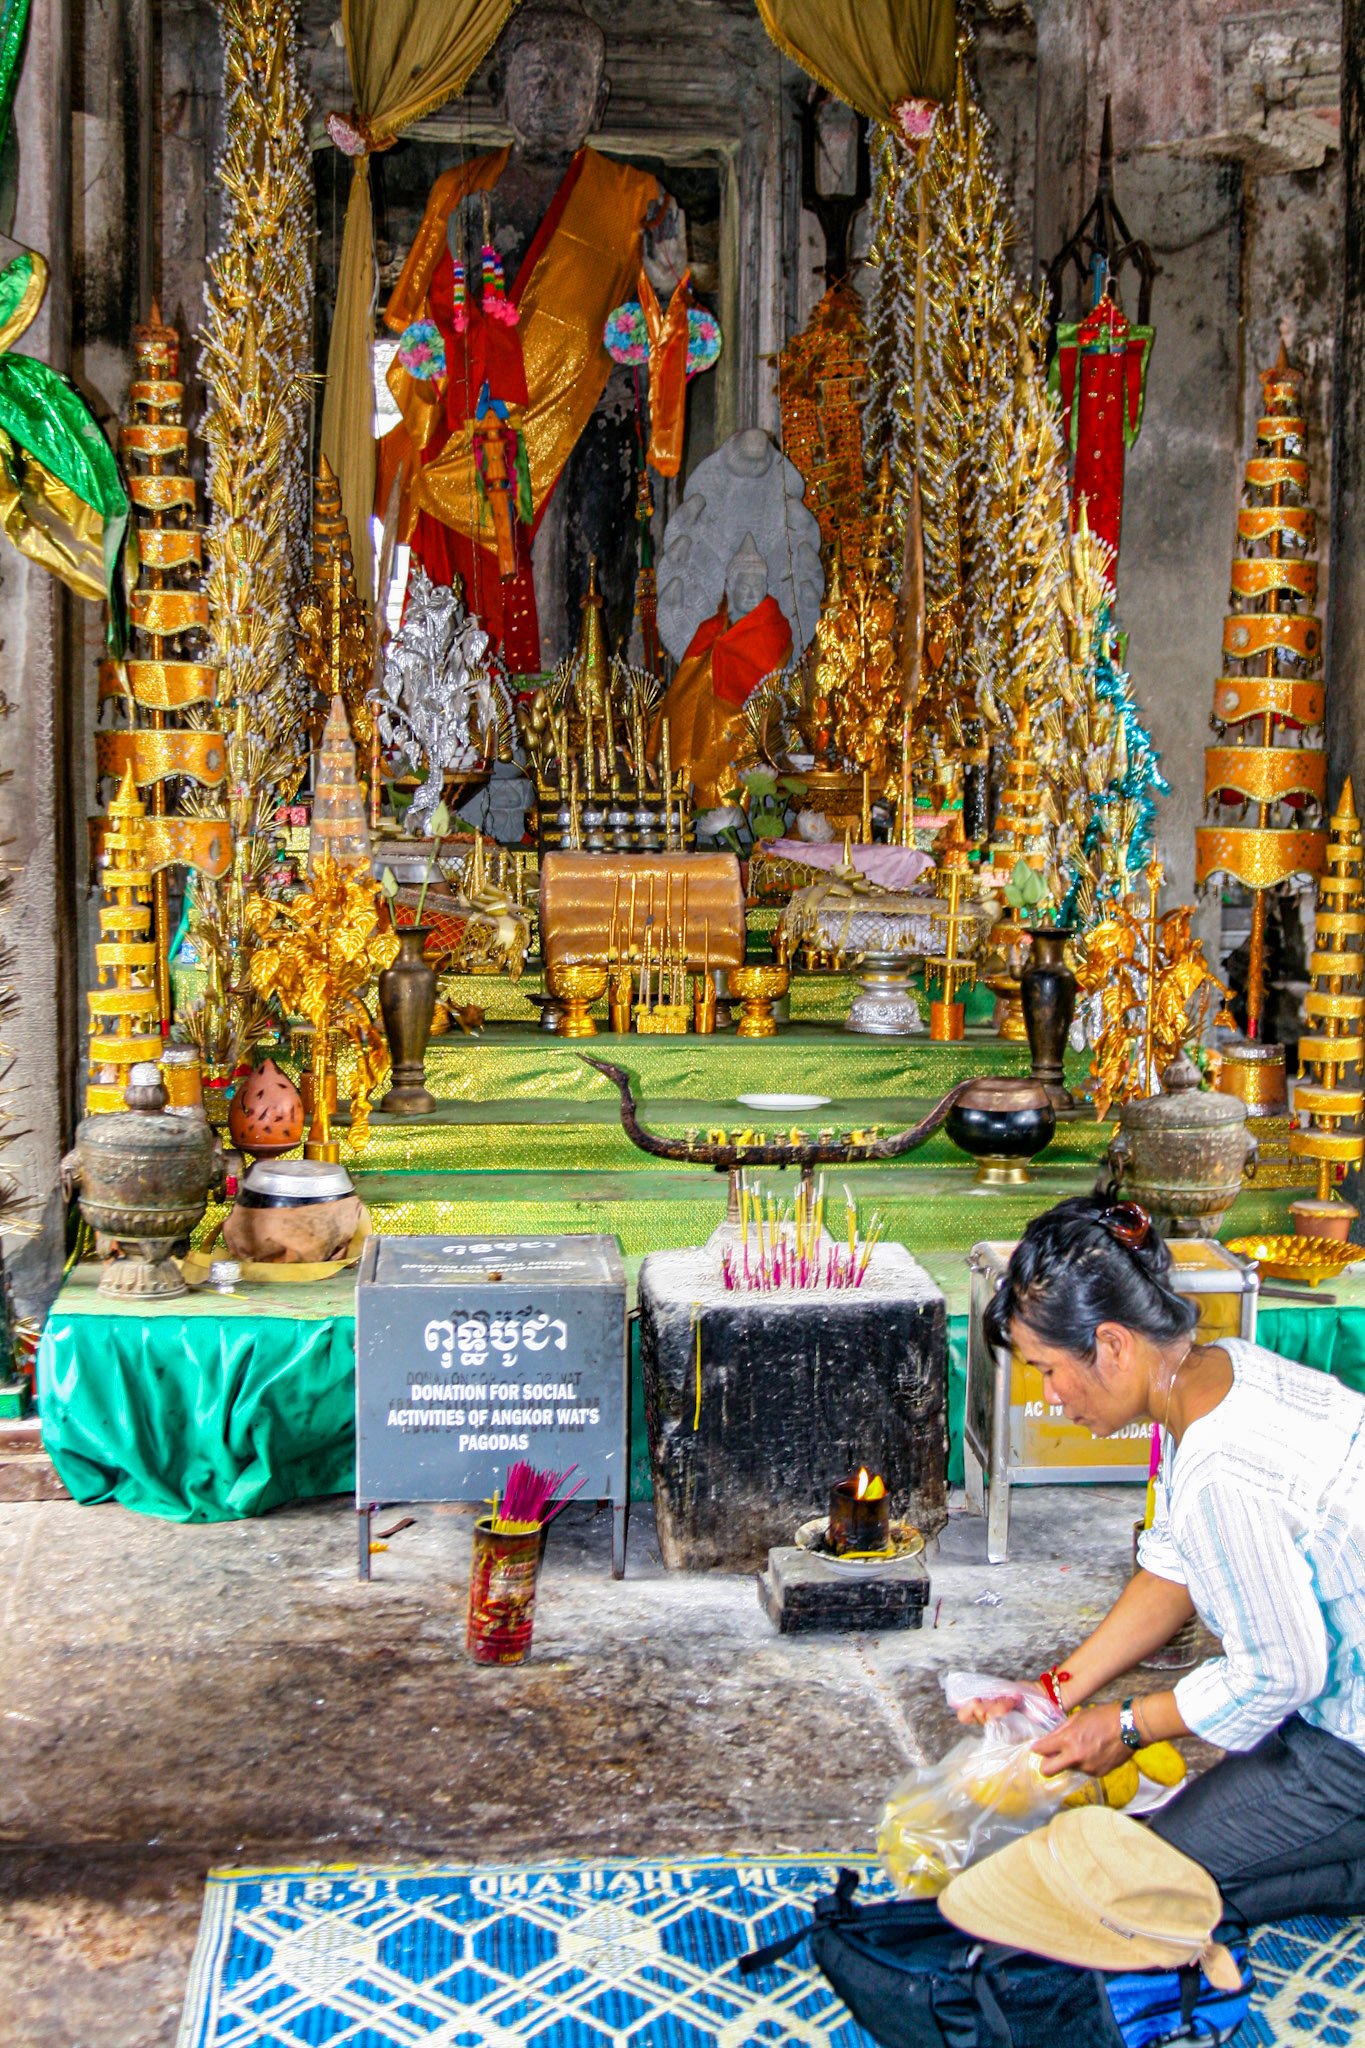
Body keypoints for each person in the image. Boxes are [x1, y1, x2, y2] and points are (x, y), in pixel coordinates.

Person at [960, 1192, 1365, 1922]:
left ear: (1112, 1346)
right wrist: (1054, 1692)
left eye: (1047, 1368)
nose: (1049, 1393)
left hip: (1352, 1735)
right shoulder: (1223, 1374)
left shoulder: (1220, 1467)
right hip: (1343, 1700)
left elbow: (1281, 1671)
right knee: (1162, 1864)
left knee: (1127, 1888)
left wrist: (1123, 1726)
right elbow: (1174, 1568)